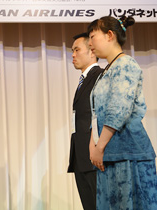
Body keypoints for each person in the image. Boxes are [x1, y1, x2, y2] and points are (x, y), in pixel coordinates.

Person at [87, 15, 157, 209]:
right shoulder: (107, 70)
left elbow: (118, 110)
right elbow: (95, 113)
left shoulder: (125, 64)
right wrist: (94, 146)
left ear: (110, 35)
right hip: (109, 153)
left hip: (128, 153)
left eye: (93, 36)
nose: (89, 43)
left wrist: (99, 147)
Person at [67, 32, 103, 210]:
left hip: (94, 157)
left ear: (91, 51)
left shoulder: (100, 76)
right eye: (72, 51)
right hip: (80, 157)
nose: (72, 55)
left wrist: (98, 148)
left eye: (76, 50)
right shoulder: (84, 79)